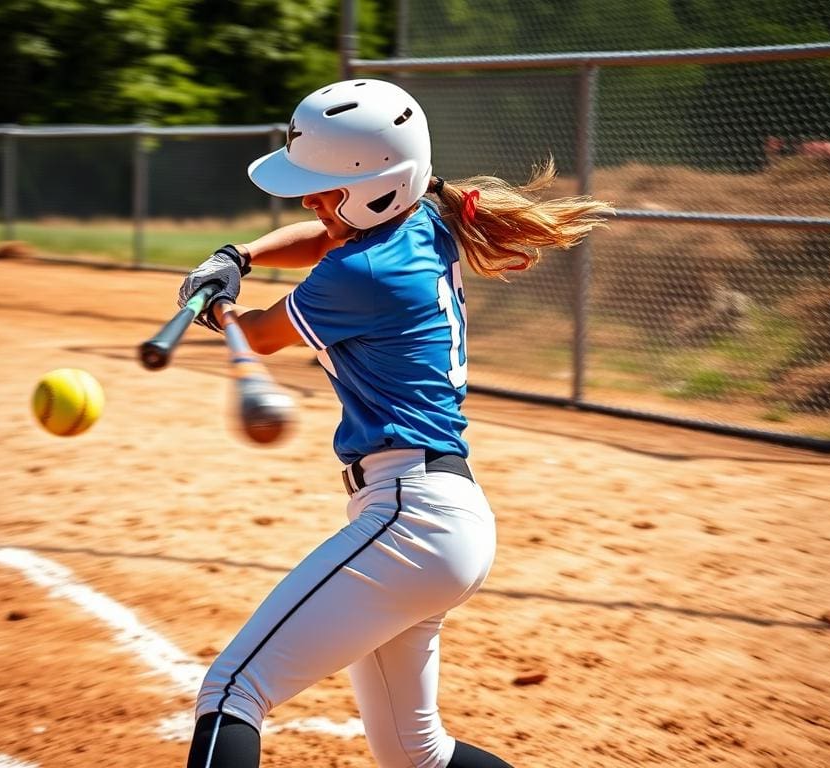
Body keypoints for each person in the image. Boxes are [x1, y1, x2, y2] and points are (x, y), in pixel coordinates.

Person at [178, 78, 612, 768]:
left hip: (411, 519)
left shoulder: (367, 270)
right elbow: (320, 238)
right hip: (437, 518)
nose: (313, 201)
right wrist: (239, 259)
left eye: (324, 188)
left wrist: (216, 307)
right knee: (417, 755)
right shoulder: (417, 224)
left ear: (379, 186)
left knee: (233, 690)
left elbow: (259, 334)